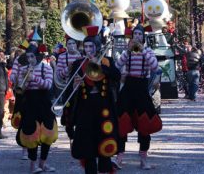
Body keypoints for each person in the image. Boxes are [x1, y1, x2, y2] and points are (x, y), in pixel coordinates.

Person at [64, 26, 120, 174]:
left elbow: (117, 76)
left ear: (97, 47)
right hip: (85, 109)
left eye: (91, 46)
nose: (88, 49)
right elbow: (69, 88)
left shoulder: (107, 61)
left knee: (104, 146)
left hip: (104, 108)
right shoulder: (78, 64)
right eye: (86, 46)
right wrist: (74, 85)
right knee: (88, 149)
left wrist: (101, 66)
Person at [113, 25, 162, 170]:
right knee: (121, 121)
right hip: (128, 87)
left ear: (143, 37)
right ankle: (119, 157)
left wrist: (143, 51)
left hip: (141, 88)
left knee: (145, 123)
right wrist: (127, 52)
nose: (137, 37)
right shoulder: (126, 52)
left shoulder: (148, 51)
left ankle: (143, 158)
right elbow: (117, 66)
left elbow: (155, 67)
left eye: (140, 34)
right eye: (135, 34)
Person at [16, 44, 57, 173]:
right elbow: (19, 87)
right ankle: (33, 166)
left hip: (44, 103)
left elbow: (48, 85)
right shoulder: (24, 68)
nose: (30, 60)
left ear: (38, 56)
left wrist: (33, 78)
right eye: (28, 57)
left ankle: (43, 163)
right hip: (29, 103)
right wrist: (21, 79)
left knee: (47, 133)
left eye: (32, 56)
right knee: (30, 133)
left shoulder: (47, 68)